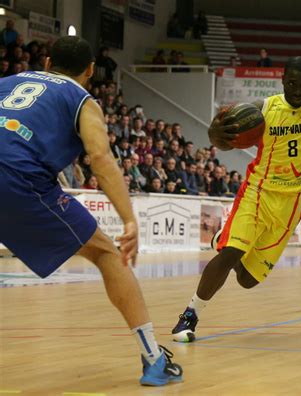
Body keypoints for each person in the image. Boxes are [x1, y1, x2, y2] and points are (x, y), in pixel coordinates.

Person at [0, 36, 182, 386]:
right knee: (107, 254)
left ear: (48, 63)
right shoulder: (81, 99)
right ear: (90, 71)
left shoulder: (7, 83)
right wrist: (130, 219)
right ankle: (154, 359)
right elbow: (100, 158)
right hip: (19, 178)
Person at [171, 46, 301, 342]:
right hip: (258, 192)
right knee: (232, 252)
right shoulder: (263, 108)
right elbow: (220, 136)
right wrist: (217, 134)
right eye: (291, 83)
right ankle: (189, 317)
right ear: (282, 80)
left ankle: (225, 240)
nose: (297, 89)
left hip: (293, 203)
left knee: (247, 279)